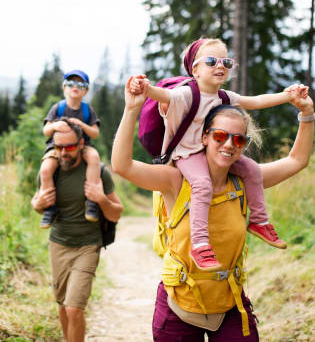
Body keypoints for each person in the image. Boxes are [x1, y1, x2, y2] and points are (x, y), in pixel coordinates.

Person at [111, 77, 314, 341]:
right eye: (220, 136)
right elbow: (122, 166)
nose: (229, 144)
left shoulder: (245, 182)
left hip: (230, 305)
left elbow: (297, 160)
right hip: (178, 307)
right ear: (204, 137)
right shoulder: (175, 181)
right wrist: (131, 109)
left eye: (238, 140)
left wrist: (307, 113)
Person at [130, 37, 308, 271]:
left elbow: (254, 102)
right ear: (195, 69)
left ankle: (258, 221)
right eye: (212, 61)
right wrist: (144, 88)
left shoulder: (223, 97)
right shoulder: (185, 94)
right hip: (186, 156)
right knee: (202, 184)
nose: (220, 66)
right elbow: (163, 96)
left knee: (252, 169)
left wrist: (288, 96)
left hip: (209, 152)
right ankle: (200, 243)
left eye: (226, 61)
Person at [31, 118, 123, 342]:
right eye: (58, 147)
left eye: (69, 147)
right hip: (59, 244)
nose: (63, 152)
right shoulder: (49, 171)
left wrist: (101, 199)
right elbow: (37, 204)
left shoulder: (98, 172)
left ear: (81, 144)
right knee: (62, 307)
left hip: (88, 246)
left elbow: (116, 212)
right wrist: (37, 204)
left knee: (74, 308)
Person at [40, 69, 102, 228]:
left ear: (86, 91)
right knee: (46, 169)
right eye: (70, 83)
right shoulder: (58, 108)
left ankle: (92, 202)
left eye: (80, 85)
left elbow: (95, 133)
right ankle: (49, 207)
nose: (75, 87)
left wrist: (81, 125)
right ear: (64, 88)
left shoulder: (87, 110)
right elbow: (46, 130)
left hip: (83, 145)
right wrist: (55, 125)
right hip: (58, 147)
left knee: (94, 158)